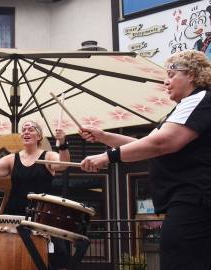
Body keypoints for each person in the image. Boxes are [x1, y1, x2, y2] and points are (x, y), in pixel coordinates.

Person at [79, 50, 211, 270]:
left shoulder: (199, 99)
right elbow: (146, 144)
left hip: (195, 199)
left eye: (171, 74)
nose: (165, 81)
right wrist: (104, 137)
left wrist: (106, 157)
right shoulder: (185, 107)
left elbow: (161, 144)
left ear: (191, 74)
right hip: (191, 201)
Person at [0, 121, 71, 269]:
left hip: (43, 216)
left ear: (39, 136)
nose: (26, 132)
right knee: (15, 256)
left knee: (56, 258)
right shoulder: (12, 159)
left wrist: (62, 143)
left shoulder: (48, 155)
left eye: (31, 129)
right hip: (16, 216)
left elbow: (63, 164)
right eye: (24, 130)